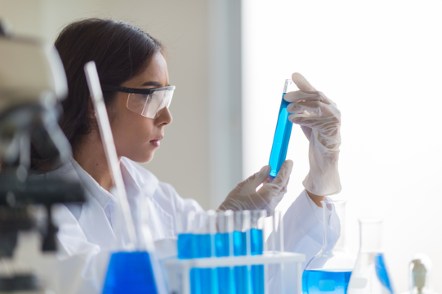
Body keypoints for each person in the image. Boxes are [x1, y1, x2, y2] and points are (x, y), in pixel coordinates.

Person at [30, 18, 342, 293]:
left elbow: (256, 274)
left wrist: (319, 181)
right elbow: (89, 281)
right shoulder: (33, 208)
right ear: (91, 104)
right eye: (152, 95)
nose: (166, 116)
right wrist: (220, 229)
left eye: (167, 95)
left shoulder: (156, 198)